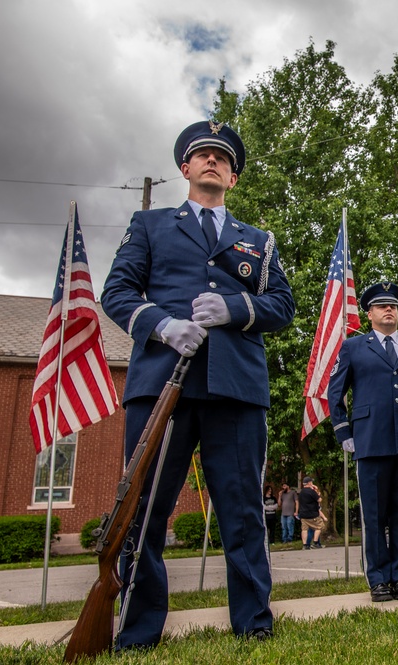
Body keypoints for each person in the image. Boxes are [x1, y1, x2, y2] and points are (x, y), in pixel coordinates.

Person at [101, 119, 295, 647]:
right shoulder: (150, 225)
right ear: (184, 168)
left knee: (243, 510)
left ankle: (253, 623)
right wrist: (161, 324)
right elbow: (115, 292)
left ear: (233, 178)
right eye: (203, 155)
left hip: (234, 386)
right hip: (163, 383)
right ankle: (139, 630)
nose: (213, 161)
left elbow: (283, 306)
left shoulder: (258, 241)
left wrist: (235, 308)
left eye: (223, 158)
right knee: (144, 509)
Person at [328, 282, 398, 602]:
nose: (389, 310)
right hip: (370, 439)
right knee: (374, 514)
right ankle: (377, 579)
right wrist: (344, 432)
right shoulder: (354, 347)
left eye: (393, 306)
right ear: (369, 313)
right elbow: (336, 393)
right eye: (381, 306)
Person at [297, 476, 326, 549]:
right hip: (312, 514)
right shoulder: (311, 491)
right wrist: (316, 490)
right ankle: (316, 542)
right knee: (319, 526)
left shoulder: (301, 492)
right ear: (309, 483)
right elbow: (319, 500)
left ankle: (305, 545)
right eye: (311, 482)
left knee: (304, 529)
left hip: (303, 514)